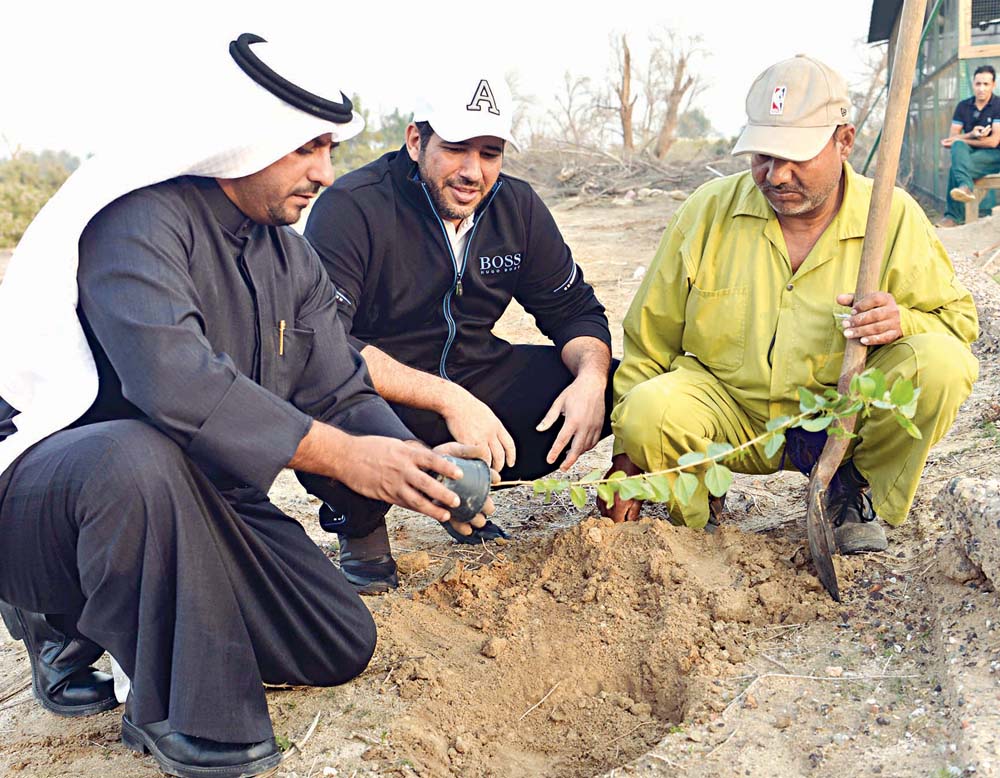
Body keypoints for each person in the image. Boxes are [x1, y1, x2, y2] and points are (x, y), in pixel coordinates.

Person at [0, 34, 492, 778]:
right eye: (306, 149)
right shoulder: (136, 224)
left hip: (195, 503)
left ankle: (162, 625)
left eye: (329, 148)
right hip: (59, 503)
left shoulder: (288, 255)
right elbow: (177, 384)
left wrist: (418, 467)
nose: (325, 173)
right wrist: (347, 457)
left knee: (335, 639)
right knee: (139, 455)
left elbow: (339, 389)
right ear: (242, 139)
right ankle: (139, 680)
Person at [602, 55, 978, 554]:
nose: (776, 175)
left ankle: (849, 488)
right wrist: (628, 456)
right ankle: (698, 507)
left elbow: (958, 324)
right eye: (763, 156)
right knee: (647, 411)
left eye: (796, 156)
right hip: (728, 413)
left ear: (844, 141)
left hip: (837, 418)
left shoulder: (893, 216)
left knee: (941, 364)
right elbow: (650, 338)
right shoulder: (708, 211)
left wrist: (900, 320)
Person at [303, 72, 615, 592]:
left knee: (616, 383)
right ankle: (361, 531)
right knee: (314, 396)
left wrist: (591, 379)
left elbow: (574, 309)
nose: (473, 171)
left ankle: (470, 495)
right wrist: (448, 398)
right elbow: (326, 344)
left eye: (490, 153)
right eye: (455, 149)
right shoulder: (353, 206)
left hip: (477, 374)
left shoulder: (517, 206)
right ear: (415, 140)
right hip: (381, 397)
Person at [937, 64, 1000, 227]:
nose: (981, 88)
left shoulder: (998, 105)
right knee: (958, 147)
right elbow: (952, 138)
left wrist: (962, 139)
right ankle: (965, 187)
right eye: (978, 84)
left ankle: (952, 217)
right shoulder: (963, 106)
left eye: (986, 84)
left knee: (955, 167)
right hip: (970, 154)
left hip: (994, 155)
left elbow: (994, 141)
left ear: (994, 85)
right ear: (973, 84)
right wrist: (971, 134)